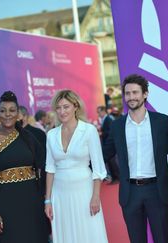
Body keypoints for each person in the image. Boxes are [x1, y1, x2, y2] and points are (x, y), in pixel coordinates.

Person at [103, 74, 168, 243]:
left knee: (162, 239)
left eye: (135, 92)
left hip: (157, 191)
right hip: (130, 192)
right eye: (127, 93)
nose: (131, 97)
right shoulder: (117, 125)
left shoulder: (160, 121)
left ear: (145, 94)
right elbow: (105, 153)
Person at [0, 91, 48, 243]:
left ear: (18, 114)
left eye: (12, 110)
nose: (7, 114)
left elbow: (44, 163)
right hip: (5, 205)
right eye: (3, 111)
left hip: (32, 203)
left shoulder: (28, 137)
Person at [44, 90, 108, 243]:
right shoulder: (51, 135)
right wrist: (48, 200)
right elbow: (50, 169)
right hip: (59, 194)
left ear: (75, 106)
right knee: (66, 234)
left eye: (66, 107)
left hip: (84, 192)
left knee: (89, 233)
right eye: (58, 108)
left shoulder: (89, 130)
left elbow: (98, 168)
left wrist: (96, 196)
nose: (62, 111)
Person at [97, 105, 120, 183]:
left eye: (99, 112)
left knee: (112, 162)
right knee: (110, 163)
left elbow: (110, 132)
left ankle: (117, 178)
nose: (98, 114)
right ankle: (114, 178)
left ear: (103, 111)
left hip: (110, 144)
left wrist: (102, 133)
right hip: (106, 143)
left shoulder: (108, 119)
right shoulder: (104, 119)